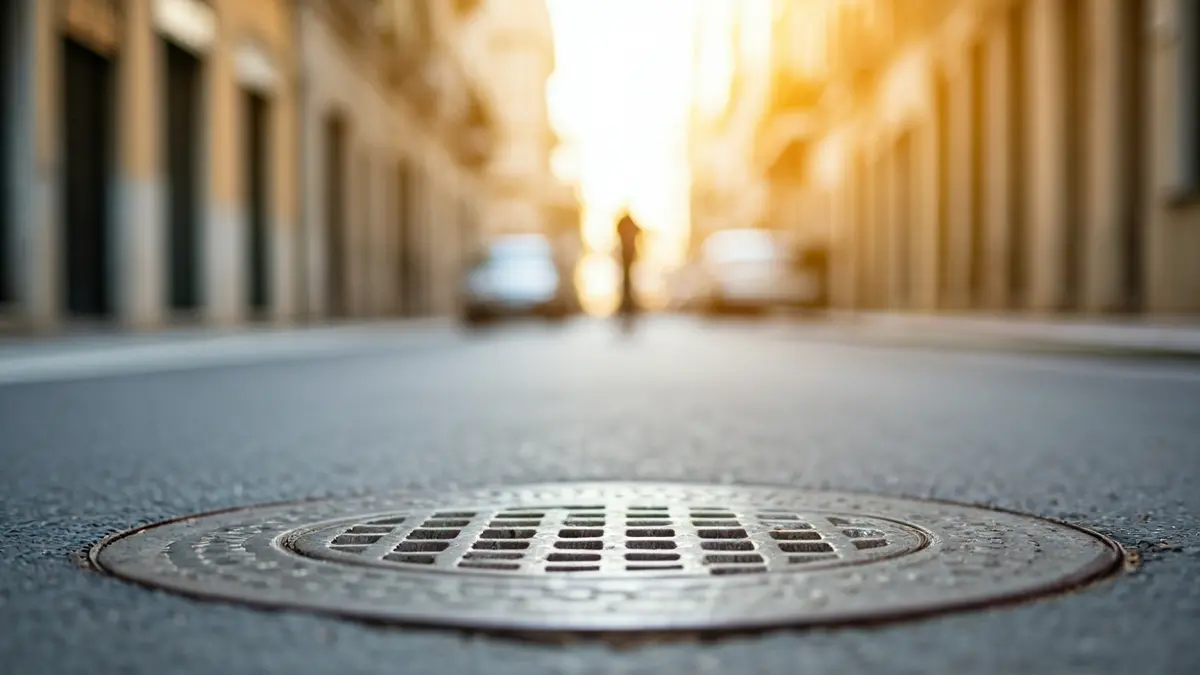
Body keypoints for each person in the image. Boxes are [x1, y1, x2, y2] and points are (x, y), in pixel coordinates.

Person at [615, 210, 642, 317]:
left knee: (628, 279)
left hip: (628, 254)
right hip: (626, 254)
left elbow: (638, 230)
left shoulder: (626, 223)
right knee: (626, 279)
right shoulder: (627, 223)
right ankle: (626, 302)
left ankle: (628, 301)